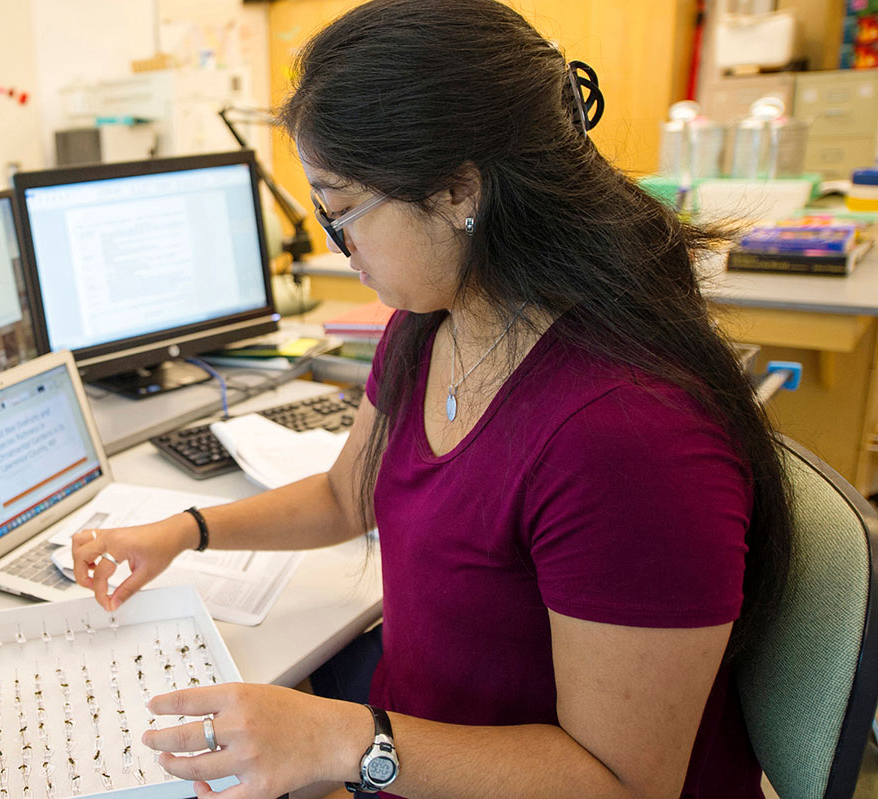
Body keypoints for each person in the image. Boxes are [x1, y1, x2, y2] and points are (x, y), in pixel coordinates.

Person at [71, 1, 792, 797]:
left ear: (456, 192)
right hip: (414, 753)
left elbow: (624, 782)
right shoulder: (438, 317)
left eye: (342, 212)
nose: (338, 249)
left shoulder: (630, 434)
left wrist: (344, 737)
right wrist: (184, 530)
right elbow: (349, 494)